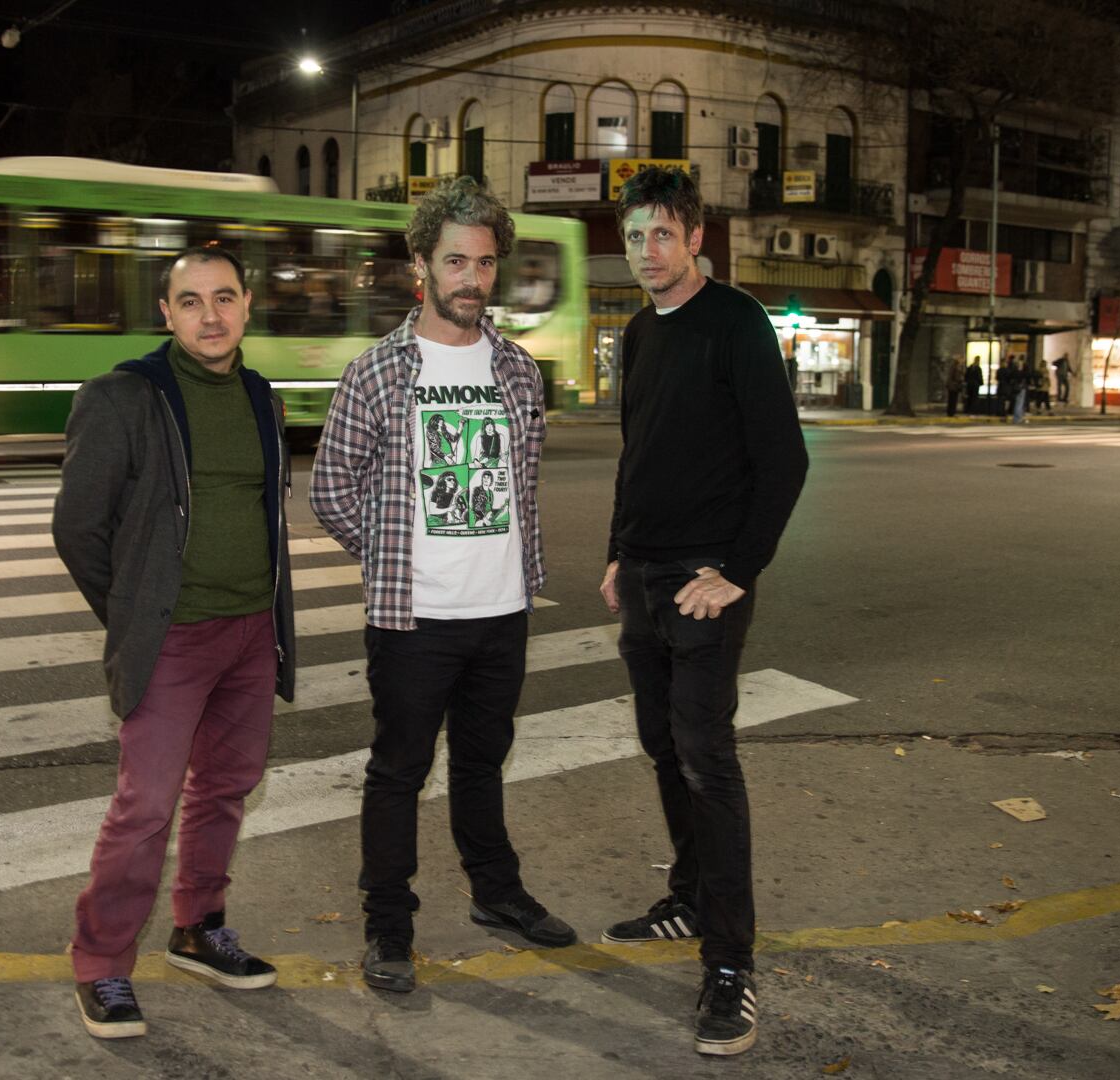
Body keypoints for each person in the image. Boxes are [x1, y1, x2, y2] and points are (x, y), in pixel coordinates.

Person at [310, 176, 571, 996]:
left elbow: (522, 489)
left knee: (485, 762)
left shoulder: (520, 372)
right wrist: (393, 555)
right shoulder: (378, 372)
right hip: (414, 619)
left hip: (501, 613)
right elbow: (330, 488)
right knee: (398, 770)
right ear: (421, 263)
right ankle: (389, 923)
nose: (471, 278)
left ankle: (496, 893)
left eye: (485, 263)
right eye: (455, 260)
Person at [52, 248, 297, 1040]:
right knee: (146, 806)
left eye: (224, 297)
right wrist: (135, 609)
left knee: (226, 786)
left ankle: (198, 926)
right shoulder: (125, 397)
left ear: (248, 304)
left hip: (251, 631)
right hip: (174, 639)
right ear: (166, 313)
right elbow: (79, 527)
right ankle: (100, 963)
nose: (210, 315)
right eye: (190, 301)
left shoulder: (262, 396)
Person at [596, 165, 809, 1057]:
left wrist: (738, 569)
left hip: (702, 582)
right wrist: (618, 544)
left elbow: (784, 459)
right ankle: (688, 898)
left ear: (696, 238)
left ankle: (730, 966)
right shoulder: (641, 332)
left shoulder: (738, 322)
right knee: (661, 745)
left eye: (662, 234)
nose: (647, 251)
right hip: (644, 575)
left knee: (706, 758)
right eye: (635, 235)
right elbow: (636, 447)